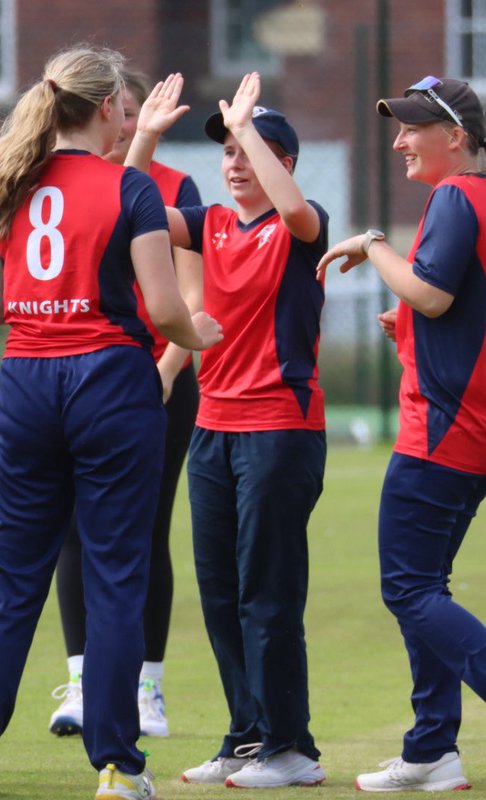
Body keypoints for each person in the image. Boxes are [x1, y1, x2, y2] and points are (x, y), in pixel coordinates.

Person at [0, 48, 222, 800]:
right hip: (109, 380)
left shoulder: (7, 181)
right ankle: (118, 767)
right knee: (117, 578)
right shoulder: (130, 187)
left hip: (28, 381)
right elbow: (164, 309)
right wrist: (196, 333)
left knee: (12, 583)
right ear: (105, 108)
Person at [318, 75, 486, 792]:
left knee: (408, 588)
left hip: (445, 431)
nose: (399, 141)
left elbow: (432, 294)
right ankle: (432, 749)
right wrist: (409, 327)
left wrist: (372, 245)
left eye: (412, 129)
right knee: (426, 585)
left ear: (455, 137)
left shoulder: (457, 196)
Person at [128, 72, 329, 788]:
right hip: (213, 428)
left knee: (266, 593)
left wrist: (245, 124)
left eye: (249, 149)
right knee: (220, 591)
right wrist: (143, 137)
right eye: (228, 151)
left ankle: (291, 748)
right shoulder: (209, 223)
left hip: (279, 428)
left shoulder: (300, 224)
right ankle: (249, 737)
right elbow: (125, 207)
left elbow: (295, 207)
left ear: (282, 161)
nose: (236, 161)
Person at [48, 66, 203, 741]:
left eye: (138, 111)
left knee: (145, 532)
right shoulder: (57, 181)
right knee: (73, 531)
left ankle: (146, 688)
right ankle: (83, 681)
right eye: (123, 108)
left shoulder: (172, 187)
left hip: (157, 376)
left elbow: (190, 297)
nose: (128, 121)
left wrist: (166, 370)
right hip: (81, 376)